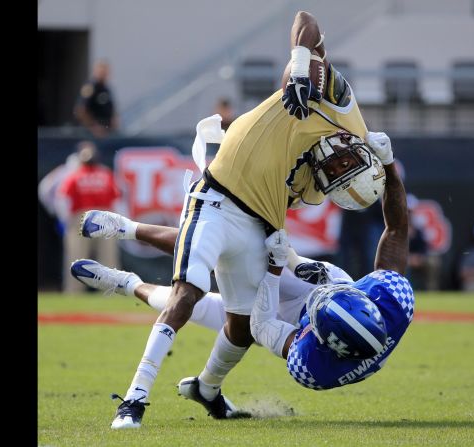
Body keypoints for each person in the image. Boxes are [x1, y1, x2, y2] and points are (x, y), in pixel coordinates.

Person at [96, 10, 394, 430]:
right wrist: (302, 67)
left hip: (257, 223)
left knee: (240, 325)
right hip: (216, 195)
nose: (335, 165)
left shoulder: (314, 188)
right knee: (189, 294)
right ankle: (134, 400)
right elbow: (305, 20)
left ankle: (204, 384)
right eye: (344, 162)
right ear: (360, 149)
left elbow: (271, 212)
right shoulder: (344, 111)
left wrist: (284, 263)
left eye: (337, 176)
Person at [74, 139, 405, 418]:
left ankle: (126, 282)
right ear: (366, 300)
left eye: (320, 308)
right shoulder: (394, 301)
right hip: (319, 283)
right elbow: (397, 228)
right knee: (237, 248)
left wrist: (276, 268)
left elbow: (260, 326)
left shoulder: (313, 364)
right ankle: (127, 230)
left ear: (321, 337)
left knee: (222, 308)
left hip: (275, 318)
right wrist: (388, 164)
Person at [55, 141, 121, 293]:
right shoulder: (105, 174)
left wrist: (65, 219)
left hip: (82, 217)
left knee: (77, 258)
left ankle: (74, 292)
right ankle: (110, 292)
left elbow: (62, 199)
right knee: (107, 259)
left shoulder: (75, 176)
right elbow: (117, 199)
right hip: (105, 217)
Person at [74, 60, 119, 138]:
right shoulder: (90, 87)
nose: (104, 74)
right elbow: (80, 110)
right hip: (92, 135)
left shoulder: (106, 89)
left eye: (105, 71)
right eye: (101, 71)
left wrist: (114, 120)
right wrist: (93, 126)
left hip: (107, 132)